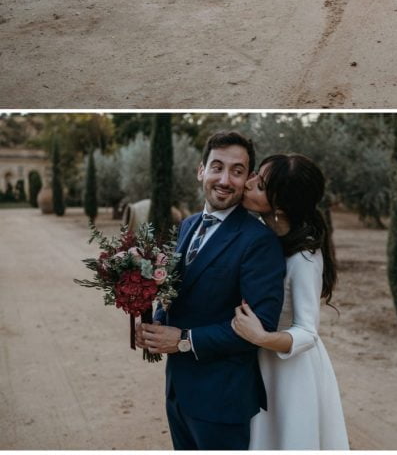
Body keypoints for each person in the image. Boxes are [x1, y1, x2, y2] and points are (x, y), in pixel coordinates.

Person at [138, 130, 286, 451]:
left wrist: (182, 340)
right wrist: (155, 323)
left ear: (247, 178)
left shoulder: (258, 241)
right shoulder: (189, 225)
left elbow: (261, 328)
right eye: (217, 167)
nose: (225, 179)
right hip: (178, 389)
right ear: (200, 170)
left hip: (222, 401)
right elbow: (180, 292)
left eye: (237, 171)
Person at [232, 153, 350, 450]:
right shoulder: (258, 233)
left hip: (288, 372)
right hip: (253, 360)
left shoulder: (304, 258)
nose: (248, 183)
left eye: (259, 185)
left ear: (280, 206)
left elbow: (307, 332)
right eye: (255, 176)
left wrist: (262, 337)